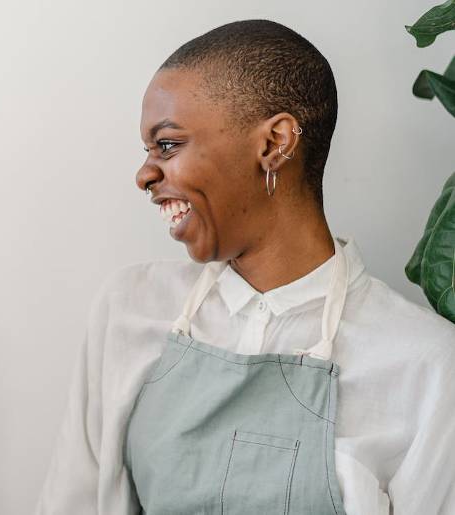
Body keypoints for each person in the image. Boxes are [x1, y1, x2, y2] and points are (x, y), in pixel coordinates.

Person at [37, 19, 455, 515]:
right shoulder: (128, 309)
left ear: (274, 143)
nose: (145, 174)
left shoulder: (426, 366)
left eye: (167, 145)